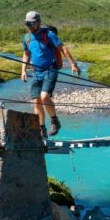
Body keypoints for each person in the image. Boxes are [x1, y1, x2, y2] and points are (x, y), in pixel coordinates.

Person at [21, 11, 81, 139]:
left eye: (31, 24)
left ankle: (54, 121)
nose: (29, 26)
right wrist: (23, 70)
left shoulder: (49, 35)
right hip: (36, 72)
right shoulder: (27, 38)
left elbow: (63, 49)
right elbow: (26, 54)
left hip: (50, 69)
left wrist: (73, 64)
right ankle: (41, 128)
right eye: (27, 24)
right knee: (36, 100)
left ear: (38, 23)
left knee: (44, 97)